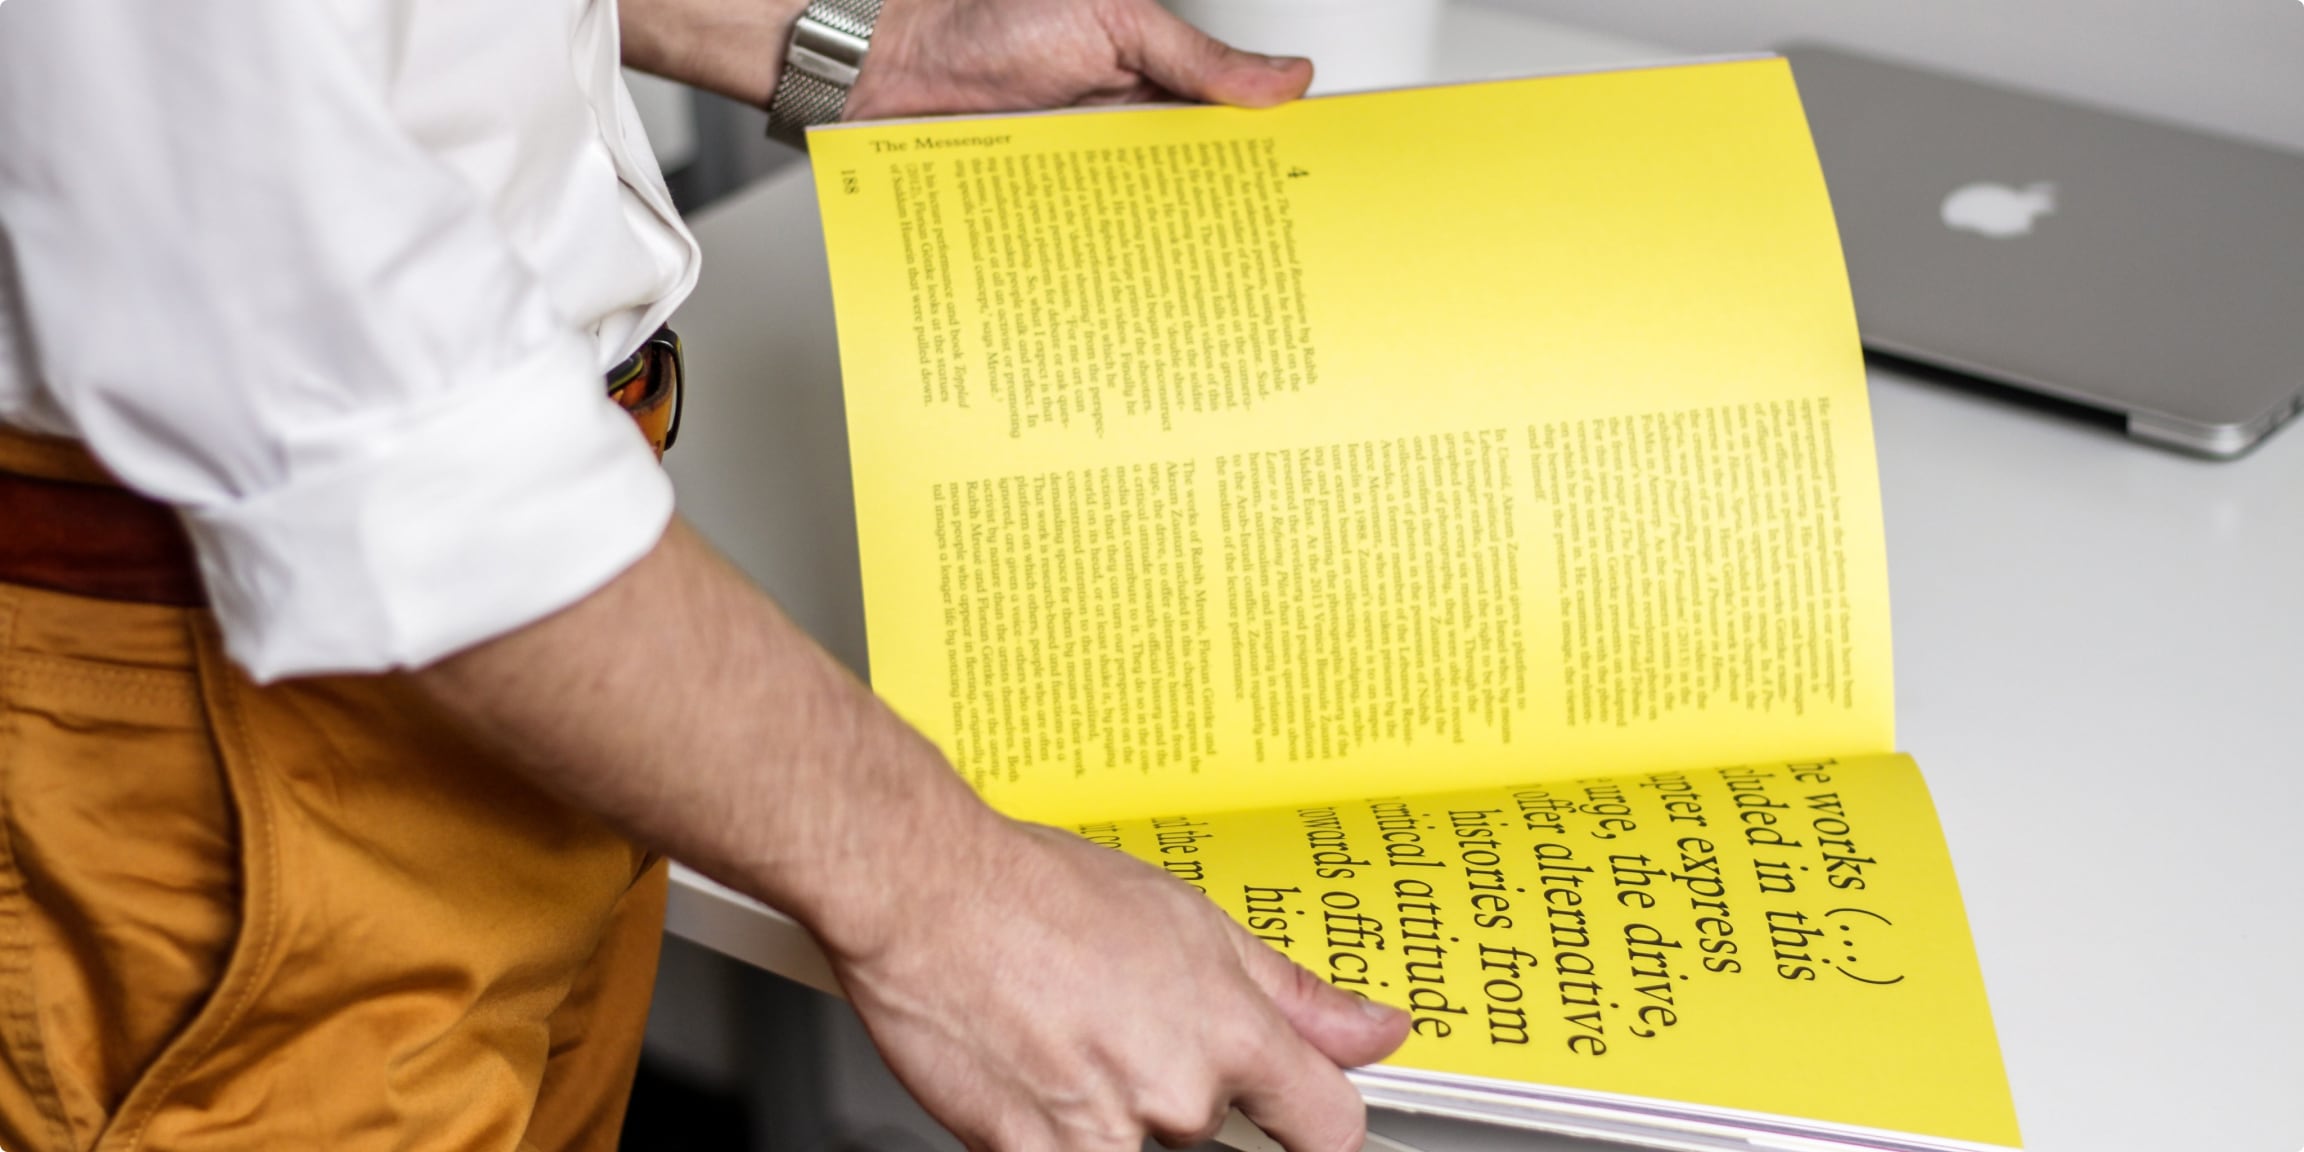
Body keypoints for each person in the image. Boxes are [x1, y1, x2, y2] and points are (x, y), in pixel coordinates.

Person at [0, 1, 1410, 1150]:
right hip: (218, 703)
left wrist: (851, 43)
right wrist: (947, 891)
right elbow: (342, 410)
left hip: (575, 630)